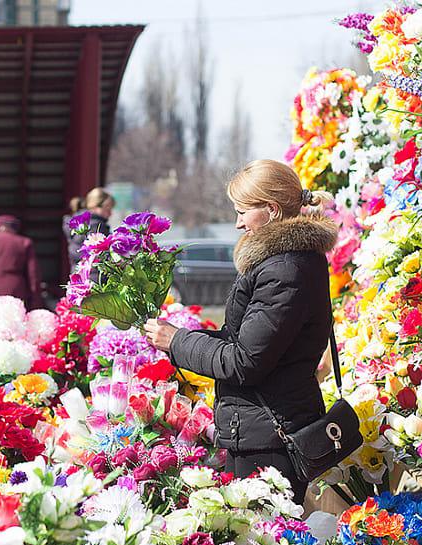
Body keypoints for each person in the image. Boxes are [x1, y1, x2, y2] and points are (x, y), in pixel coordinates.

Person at [143, 160, 337, 503]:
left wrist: (177, 341)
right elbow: (244, 341)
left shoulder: (285, 270)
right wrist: (185, 337)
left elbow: (244, 361)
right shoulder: (285, 262)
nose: (237, 224)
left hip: (271, 436)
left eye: (242, 212)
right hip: (261, 428)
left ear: (272, 210)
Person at [63, 187, 114, 271]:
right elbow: (101, 255)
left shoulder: (79, 223)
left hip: (80, 274)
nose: (110, 213)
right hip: (94, 276)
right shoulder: (96, 225)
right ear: (95, 206)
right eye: (107, 208)